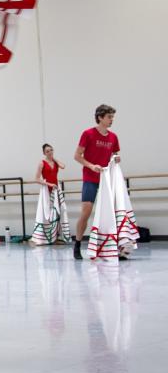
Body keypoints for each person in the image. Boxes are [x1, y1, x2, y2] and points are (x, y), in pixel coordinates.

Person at [73, 105, 121, 260]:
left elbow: (115, 154)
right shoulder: (88, 134)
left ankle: (112, 246)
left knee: (112, 212)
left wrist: (116, 158)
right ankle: (78, 244)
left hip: (107, 180)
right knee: (86, 212)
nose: (111, 120)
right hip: (90, 178)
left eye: (112, 117)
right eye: (109, 117)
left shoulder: (113, 137)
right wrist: (91, 166)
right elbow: (77, 156)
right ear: (100, 117)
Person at [31, 143, 70, 245]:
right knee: (47, 214)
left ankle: (56, 236)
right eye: (47, 151)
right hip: (46, 189)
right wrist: (49, 184)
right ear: (44, 153)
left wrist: (54, 158)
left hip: (56, 189)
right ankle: (44, 237)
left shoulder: (55, 162)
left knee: (58, 211)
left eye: (51, 150)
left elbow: (63, 166)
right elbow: (36, 179)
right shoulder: (42, 163)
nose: (49, 152)